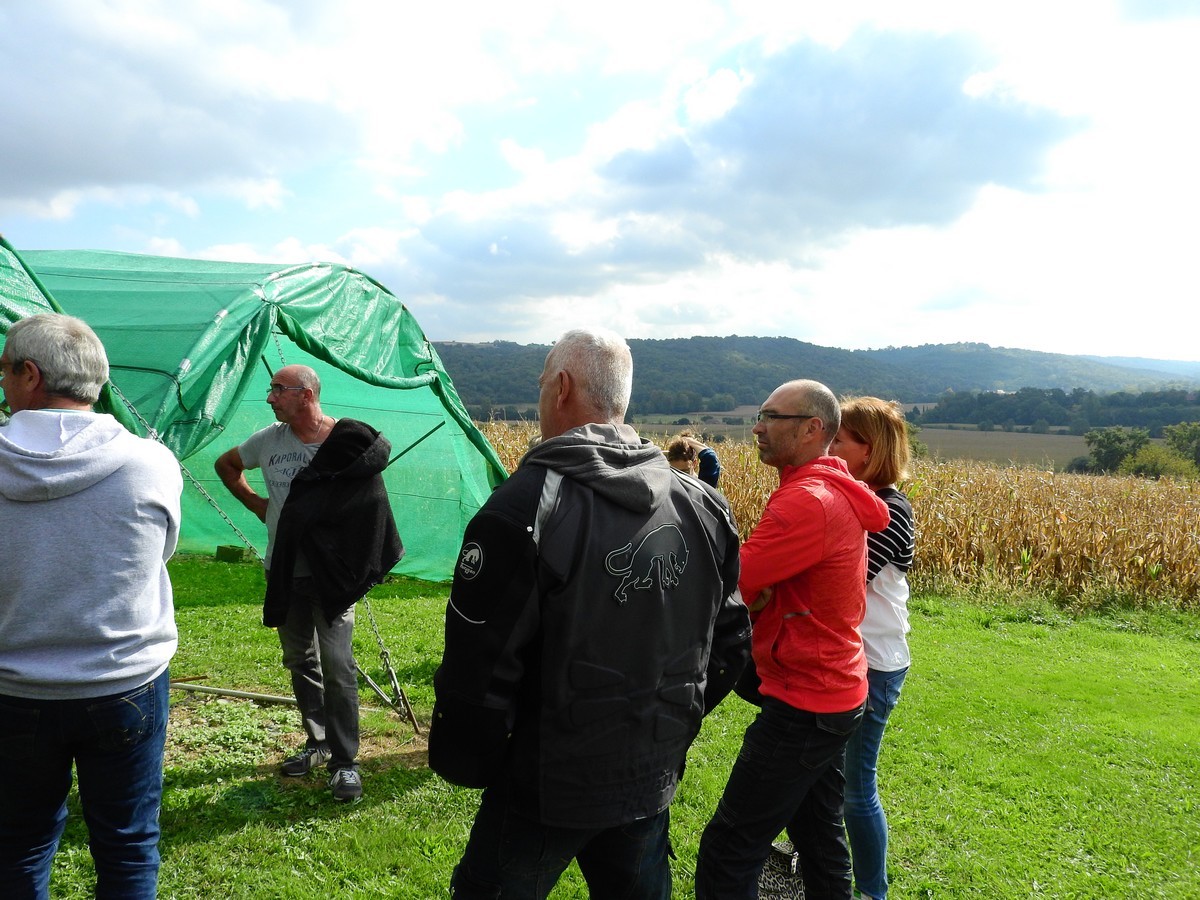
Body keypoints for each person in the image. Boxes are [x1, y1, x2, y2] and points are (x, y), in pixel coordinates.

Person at [429, 328, 751, 899]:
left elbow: (478, 668)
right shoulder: (702, 505)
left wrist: (473, 763)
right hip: (648, 772)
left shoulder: (523, 507)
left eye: (540, 382)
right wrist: (665, 726)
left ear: (562, 387)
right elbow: (728, 647)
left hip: (544, 784)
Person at [0, 313, 182, 899]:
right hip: (125, 683)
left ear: (29, 374)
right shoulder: (150, 463)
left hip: (13, 689)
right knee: (127, 847)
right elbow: (159, 555)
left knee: (17, 846)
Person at [695, 379, 891, 900]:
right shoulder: (829, 490)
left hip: (804, 701)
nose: (757, 426)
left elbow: (728, 584)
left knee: (729, 848)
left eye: (771, 417)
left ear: (811, 429)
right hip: (836, 692)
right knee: (819, 837)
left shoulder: (807, 501)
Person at [214, 364, 402, 803]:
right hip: (284, 569)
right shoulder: (268, 440)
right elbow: (226, 465)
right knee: (300, 659)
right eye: (272, 389)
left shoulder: (346, 445)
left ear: (306, 394)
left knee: (338, 665)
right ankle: (317, 743)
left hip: (331, 575)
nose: (270, 397)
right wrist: (260, 505)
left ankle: (346, 762)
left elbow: (370, 506)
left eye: (278, 390)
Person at [831, 398, 915, 900]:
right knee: (833, 779)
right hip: (854, 660)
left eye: (840, 440)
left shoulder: (888, 512)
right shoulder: (864, 501)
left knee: (856, 788)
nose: (832, 448)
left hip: (875, 666)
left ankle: (871, 892)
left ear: (870, 449)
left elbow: (844, 581)